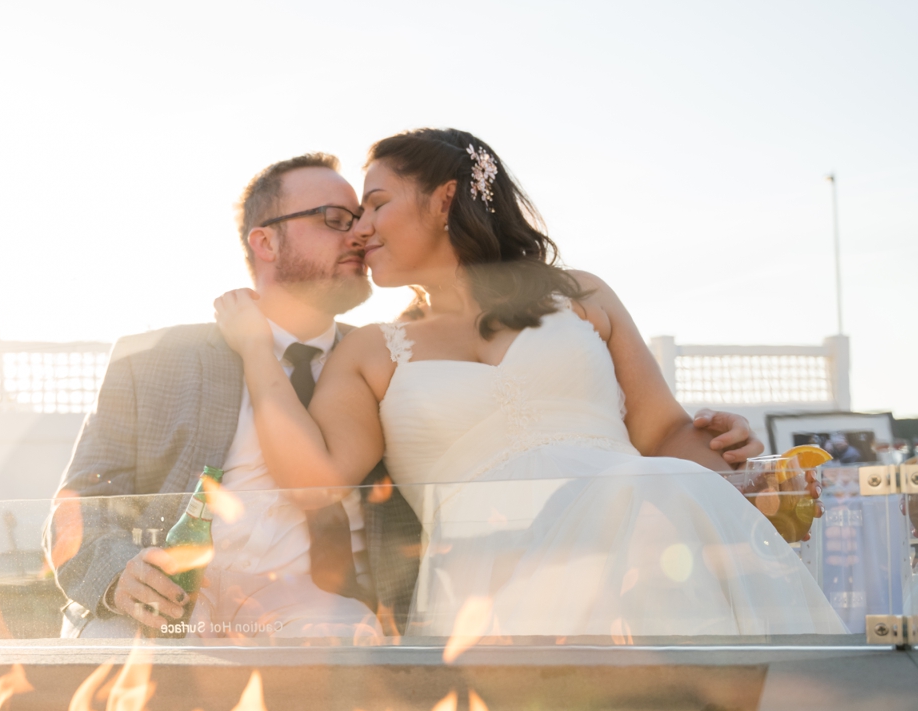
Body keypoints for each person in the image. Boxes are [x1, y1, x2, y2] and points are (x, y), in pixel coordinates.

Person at [49, 151, 768, 640]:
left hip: (344, 627)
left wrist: (720, 455)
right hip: (182, 619)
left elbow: (626, 430)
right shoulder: (160, 361)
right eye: (335, 219)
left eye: (365, 213)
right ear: (264, 244)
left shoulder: (380, 355)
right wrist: (114, 575)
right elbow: (77, 503)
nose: (359, 233)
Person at [214, 128, 844, 638]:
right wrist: (256, 353)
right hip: (493, 585)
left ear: (443, 200)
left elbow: (663, 432)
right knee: (651, 490)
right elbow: (316, 484)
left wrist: (736, 459)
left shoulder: (584, 295)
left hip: (640, 545)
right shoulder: (369, 352)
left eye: (376, 204)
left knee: (657, 486)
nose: (360, 229)